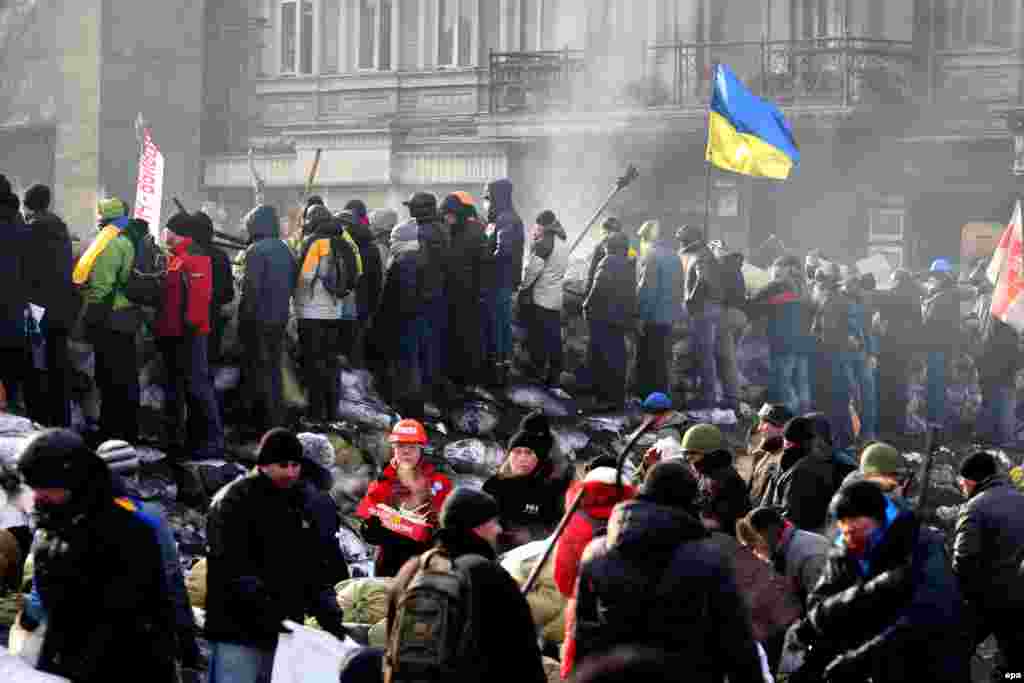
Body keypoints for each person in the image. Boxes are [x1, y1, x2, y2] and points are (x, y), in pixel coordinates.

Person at [570, 460, 764, 682]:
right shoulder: (708, 559)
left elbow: (583, 637)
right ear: (690, 502)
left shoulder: (595, 553)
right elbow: (736, 642)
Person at [16, 429, 177, 681]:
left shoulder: (128, 531)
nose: (37, 495)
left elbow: (151, 612)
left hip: (121, 667)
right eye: (34, 487)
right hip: (66, 664)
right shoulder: (51, 528)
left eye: (45, 486)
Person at [205, 429, 348, 682]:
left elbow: (313, 564)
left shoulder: (300, 500)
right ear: (264, 464)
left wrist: (329, 614)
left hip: (284, 633)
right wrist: (271, 610)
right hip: (237, 630)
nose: (291, 472)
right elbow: (231, 568)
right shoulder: (232, 501)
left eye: (295, 465)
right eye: (283, 465)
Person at [793, 481, 969, 683]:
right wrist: (815, 627)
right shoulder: (846, 547)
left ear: (881, 521)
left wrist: (861, 659)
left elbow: (924, 617)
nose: (851, 540)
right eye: (846, 532)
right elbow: (825, 600)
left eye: (859, 531)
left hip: (925, 664)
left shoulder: (922, 548)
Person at [387, 487, 547, 683]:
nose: (499, 530)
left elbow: (392, 645)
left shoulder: (409, 571)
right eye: (495, 522)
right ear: (477, 527)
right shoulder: (486, 573)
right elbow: (522, 656)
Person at [554, 466, 637, 679]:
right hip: (631, 611)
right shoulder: (637, 519)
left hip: (584, 610)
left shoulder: (574, 522)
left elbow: (563, 579)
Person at [77, 199, 148, 445]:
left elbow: (102, 287)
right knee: (126, 376)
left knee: (109, 377)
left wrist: (90, 315)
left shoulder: (109, 243)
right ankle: (128, 430)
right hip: (129, 315)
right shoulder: (132, 239)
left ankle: (111, 431)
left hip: (110, 318)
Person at [156, 212, 223, 460]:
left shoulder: (193, 259)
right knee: (178, 388)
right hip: (176, 334)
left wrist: (189, 328)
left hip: (189, 335)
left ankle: (212, 443)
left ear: (177, 233)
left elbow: (197, 303)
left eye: (168, 230)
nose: (164, 233)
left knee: (198, 387)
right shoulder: (177, 257)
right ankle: (176, 441)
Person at [953, 451, 1024, 678]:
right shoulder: (1021, 500)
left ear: (971, 481)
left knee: (955, 652)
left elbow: (963, 561)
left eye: (962, 483)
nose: (962, 488)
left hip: (983, 599)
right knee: (1014, 664)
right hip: (1018, 597)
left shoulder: (974, 508)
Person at [356, 419, 453, 577]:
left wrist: (431, 530)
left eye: (412, 447)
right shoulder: (382, 483)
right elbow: (368, 530)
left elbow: (450, 527)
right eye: (401, 446)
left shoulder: (440, 483)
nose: (406, 452)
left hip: (426, 565)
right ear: (393, 449)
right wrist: (380, 524)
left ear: (421, 449)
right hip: (389, 567)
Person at [238, 205, 298, 435]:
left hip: (258, 319)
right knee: (273, 369)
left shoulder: (256, 251)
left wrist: (244, 321)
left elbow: (250, 290)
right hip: (279, 318)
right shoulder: (285, 250)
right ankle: (276, 420)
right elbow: (293, 283)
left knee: (255, 370)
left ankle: (258, 424)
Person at [22, 183, 75, 427]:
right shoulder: (61, 230)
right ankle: (61, 419)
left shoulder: (31, 230)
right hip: (61, 307)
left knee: (36, 364)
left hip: (36, 308)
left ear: (28, 204)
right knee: (58, 364)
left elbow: (26, 269)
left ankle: (40, 420)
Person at [294, 204, 347, 428]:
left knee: (314, 364)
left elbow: (305, 277)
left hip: (312, 312)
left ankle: (315, 414)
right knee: (331, 362)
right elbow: (357, 273)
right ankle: (333, 412)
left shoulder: (315, 243)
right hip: (335, 311)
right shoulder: (343, 242)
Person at [483, 410, 568, 550]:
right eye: (517, 452)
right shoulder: (494, 484)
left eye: (528, 453)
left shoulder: (552, 488)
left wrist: (532, 535)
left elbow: (562, 528)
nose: (521, 458)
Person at [749, 255, 815, 416]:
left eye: (777, 269)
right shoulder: (805, 289)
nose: (774, 273)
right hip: (803, 344)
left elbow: (753, 300)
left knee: (784, 388)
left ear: (787, 269)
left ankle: (792, 421)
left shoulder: (779, 285)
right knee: (802, 386)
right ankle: (804, 420)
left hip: (783, 344)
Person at [583, 232, 637, 410]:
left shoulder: (608, 261)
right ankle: (616, 397)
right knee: (617, 357)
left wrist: (586, 304)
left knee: (601, 358)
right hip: (619, 319)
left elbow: (598, 287)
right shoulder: (629, 265)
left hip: (603, 317)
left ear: (610, 246)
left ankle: (603, 398)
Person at [736, 506, 830, 608]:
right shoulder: (784, 550)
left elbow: (824, 605)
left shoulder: (807, 555)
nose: (755, 552)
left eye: (753, 543)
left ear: (769, 531)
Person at [440, 192, 486, 388]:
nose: (447, 219)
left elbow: (484, 262)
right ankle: (457, 376)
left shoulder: (472, 231)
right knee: (455, 337)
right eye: (445, 215)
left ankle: (467, 378)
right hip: (452, 293)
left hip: (468, 293)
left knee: (467, 337)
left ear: (457, 214)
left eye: (450, 215)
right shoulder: (446, 231)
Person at [762, 416, 837, 535]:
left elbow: (793, 517)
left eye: (787, 442)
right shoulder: (822, 461)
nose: (785, 446)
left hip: (799, 538)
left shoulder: (801, 471)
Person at [810, 262, 857, 449]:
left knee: (834, 401)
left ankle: (839, 442)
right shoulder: (837, 299)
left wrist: (815, 338)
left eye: (821, 279)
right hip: (836, 356)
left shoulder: (833, 301)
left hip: (831, 357)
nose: (818, 283)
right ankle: (844, 440)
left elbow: (828, 332)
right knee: (838, 401)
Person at [482, 178, 524, 385]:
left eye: (488, 198)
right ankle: (500, 369)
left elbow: (503, 252)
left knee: (498, 326)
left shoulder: (506, 220)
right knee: (500, 326)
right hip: (499, 281)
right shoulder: (501, 218)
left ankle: (499, 373)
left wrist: (482, 258)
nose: (485, 202)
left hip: (499, 281)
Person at [677, 225, 724, 409]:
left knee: (704, 354)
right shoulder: (703, 254)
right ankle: (704, 394)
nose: (681, 244)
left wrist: (690, 301)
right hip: (707, 308)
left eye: (682, 240)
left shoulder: (701, 255)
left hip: (704, 309)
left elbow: (702, 280)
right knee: (703, 352)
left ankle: (707, 397)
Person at [635, 220, 683, 399]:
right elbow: (679, 288)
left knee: (648, 358)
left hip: (653, 316)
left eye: (642, 239)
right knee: (663, 358)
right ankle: (663, 394)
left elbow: (647, 289)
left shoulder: (651, 256)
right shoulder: (675, 256)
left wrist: (640, 315)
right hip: (669, 317)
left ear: (647, 238)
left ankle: (647, 396)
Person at [971, 272, 1019, 447]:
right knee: (1003, 400)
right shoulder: (1008, 313)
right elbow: (1012, 343)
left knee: (991, 399)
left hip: (989, 362)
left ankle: (987, 435)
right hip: (1002, 365)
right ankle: (1004, 438)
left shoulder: (990, 307)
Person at [522, 209, 569, 387]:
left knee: (539, 338)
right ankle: (556, 373)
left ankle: (538, 373)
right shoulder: (562, 241)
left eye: (538, 225)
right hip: (556, 296)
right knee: (554, 338)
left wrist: (523, 288)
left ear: (542, 225)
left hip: (541, 298)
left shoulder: (544, 243)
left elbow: (532, 271)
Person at [873, 268, 922, 433]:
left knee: (885, 385)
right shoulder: (915, 298)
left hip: (889, 348)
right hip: (905, 350)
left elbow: (880, 322)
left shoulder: (891, 296)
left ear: (897, 281)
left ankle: (885, 424)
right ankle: (899, 424)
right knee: (901, 387)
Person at [921, 258, 963, 434]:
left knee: (936, 388)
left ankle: (936, 425)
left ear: (942, 277)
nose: (932, 279)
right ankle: (937, 424)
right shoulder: (945, 295)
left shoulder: (943, 297)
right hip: (941, 349)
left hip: (938, 349)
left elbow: (930, 323)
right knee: (936, 387)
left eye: (935, 276)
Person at [191, 211, 235, 365]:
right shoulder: (221, 256)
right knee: (210, 362)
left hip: (188, 321)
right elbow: (229, 294)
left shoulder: (185, 255)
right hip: (214, 318)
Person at [344, 199, 384, 367]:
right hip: (364, 305)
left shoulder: (340, 244)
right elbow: (377, 281)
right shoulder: (371, 245)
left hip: (341, 306)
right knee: (359, 347)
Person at [711, 240, 748, 413]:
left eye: (714, 249)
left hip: (726, 315)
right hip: (739, 316)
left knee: (726, 359)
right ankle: (731, 396)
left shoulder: (723, 266)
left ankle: (732, 400)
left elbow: (719, 294)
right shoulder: (736, 267)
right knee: (728, 357)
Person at [747, 404, 793, 507]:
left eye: (764, 423)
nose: (759, 428)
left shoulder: (785, 460)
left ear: (781, 428)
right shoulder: (763, 454)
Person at [840, 442, 914, 499]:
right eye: (892, 473)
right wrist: (898, 498)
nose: (894, 479)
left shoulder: (857, 478)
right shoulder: (859, 491)